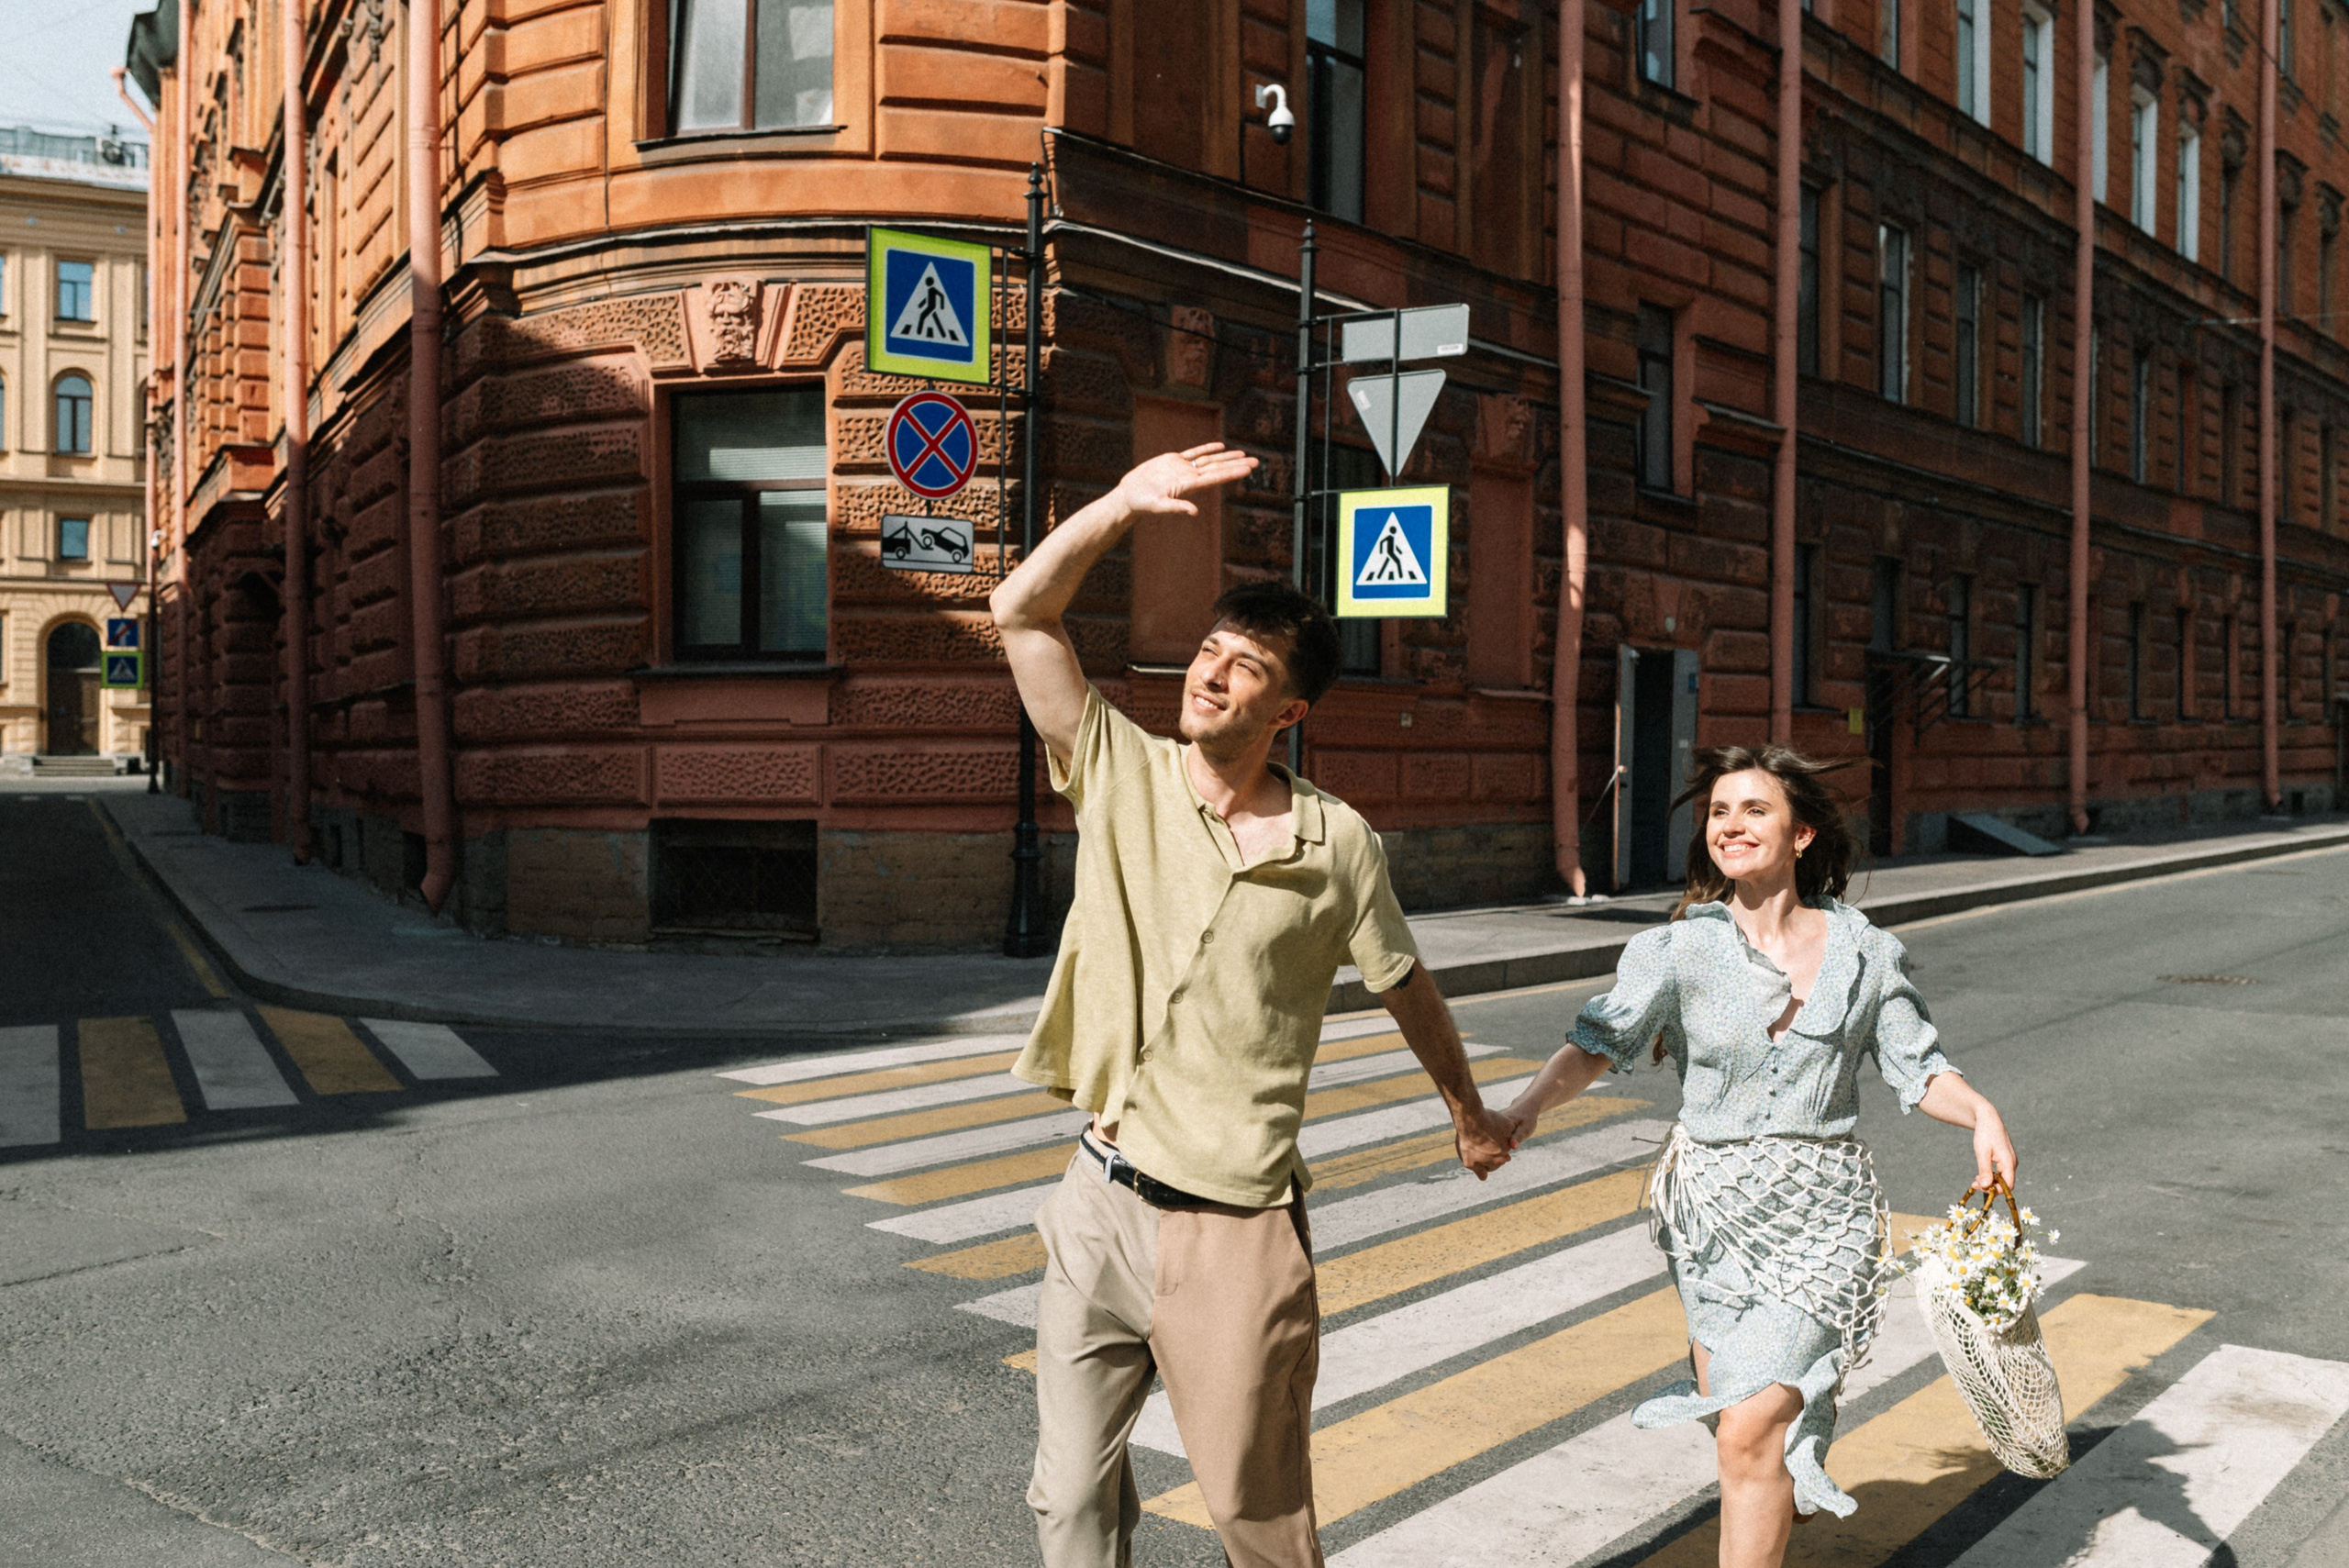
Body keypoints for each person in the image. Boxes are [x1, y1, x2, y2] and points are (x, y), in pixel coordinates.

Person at [990, 442, 1518, 1568]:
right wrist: (1120, 503)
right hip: (1101, 1195)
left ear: (1290, 708)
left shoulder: (1337, 845)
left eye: (1246, 667)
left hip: (1235, 1228)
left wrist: (1467, 1111)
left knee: (1255, 1515)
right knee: (1067, 1501)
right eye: (1208, 651)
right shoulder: (1118, 771)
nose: (1212, 675)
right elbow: (1021, 613)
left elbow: (1403, 981)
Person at [1500, 746, 2019, 1568]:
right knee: (1741, 1432)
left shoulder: (1864, 953)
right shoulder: (1679, 949)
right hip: (1710, 1219)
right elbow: (1599, 1042)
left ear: (1801, 834)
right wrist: (1524, 1108)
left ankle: (1778, 1456)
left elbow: (1919, 1068)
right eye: (1719, 811)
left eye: (1754, 810)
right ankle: (1784, 1461)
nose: (1730, 825)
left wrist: (1981, 1112)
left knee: (1747, 1428)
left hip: (1825, 1219)